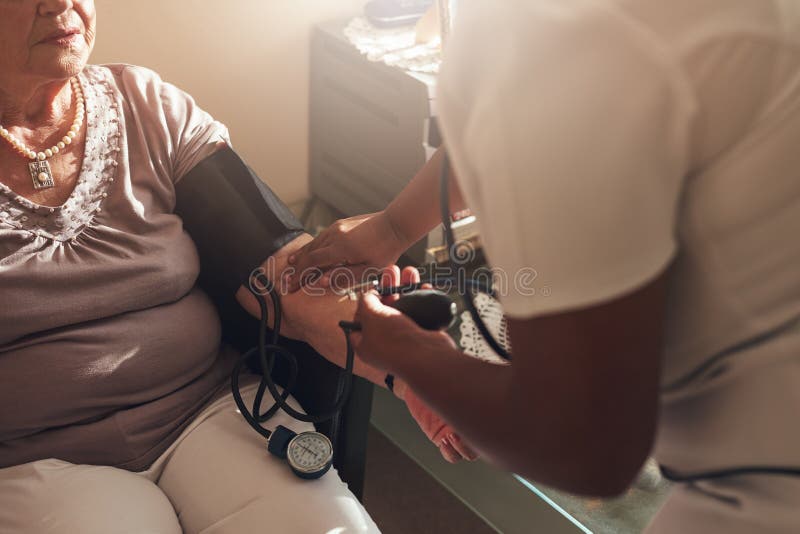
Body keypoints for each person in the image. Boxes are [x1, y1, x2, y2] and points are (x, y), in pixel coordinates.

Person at [287, 0, 800, 531]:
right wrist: (391, 228)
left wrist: (409, 354)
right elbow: (519, 116)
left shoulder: (558, 40)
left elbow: (586, 450)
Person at [0, 1, 477, 532]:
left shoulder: (144, 105)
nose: (61, 2)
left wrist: (408, 367)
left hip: (208, 413)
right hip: (35, 460)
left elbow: (285, 277)